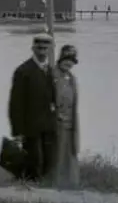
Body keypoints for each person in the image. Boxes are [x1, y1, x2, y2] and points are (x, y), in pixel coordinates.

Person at [7, 31, 57, 182]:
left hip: (48, 127)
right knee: (34, 165)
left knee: (49, 164)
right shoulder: (23, 72)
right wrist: (17, 132)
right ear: (33, 48)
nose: (42, 50)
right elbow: (15, 104)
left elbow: (54, 100)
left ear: (50, 49)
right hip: (30, 128)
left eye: (45, 47)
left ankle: (43, 196)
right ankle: (29, 198)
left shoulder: (51, 72)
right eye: (39, 47)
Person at [51, 44, 80, 188]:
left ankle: (71, 186)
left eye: (72, 61)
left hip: (70, 124)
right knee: (56, 156)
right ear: (60, 59)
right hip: (56, 124)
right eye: (67, 59)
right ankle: (53, 186)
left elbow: (75, 104)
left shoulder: (72, 79)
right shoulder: (52, 76)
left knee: (71, 155)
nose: (69, 63)